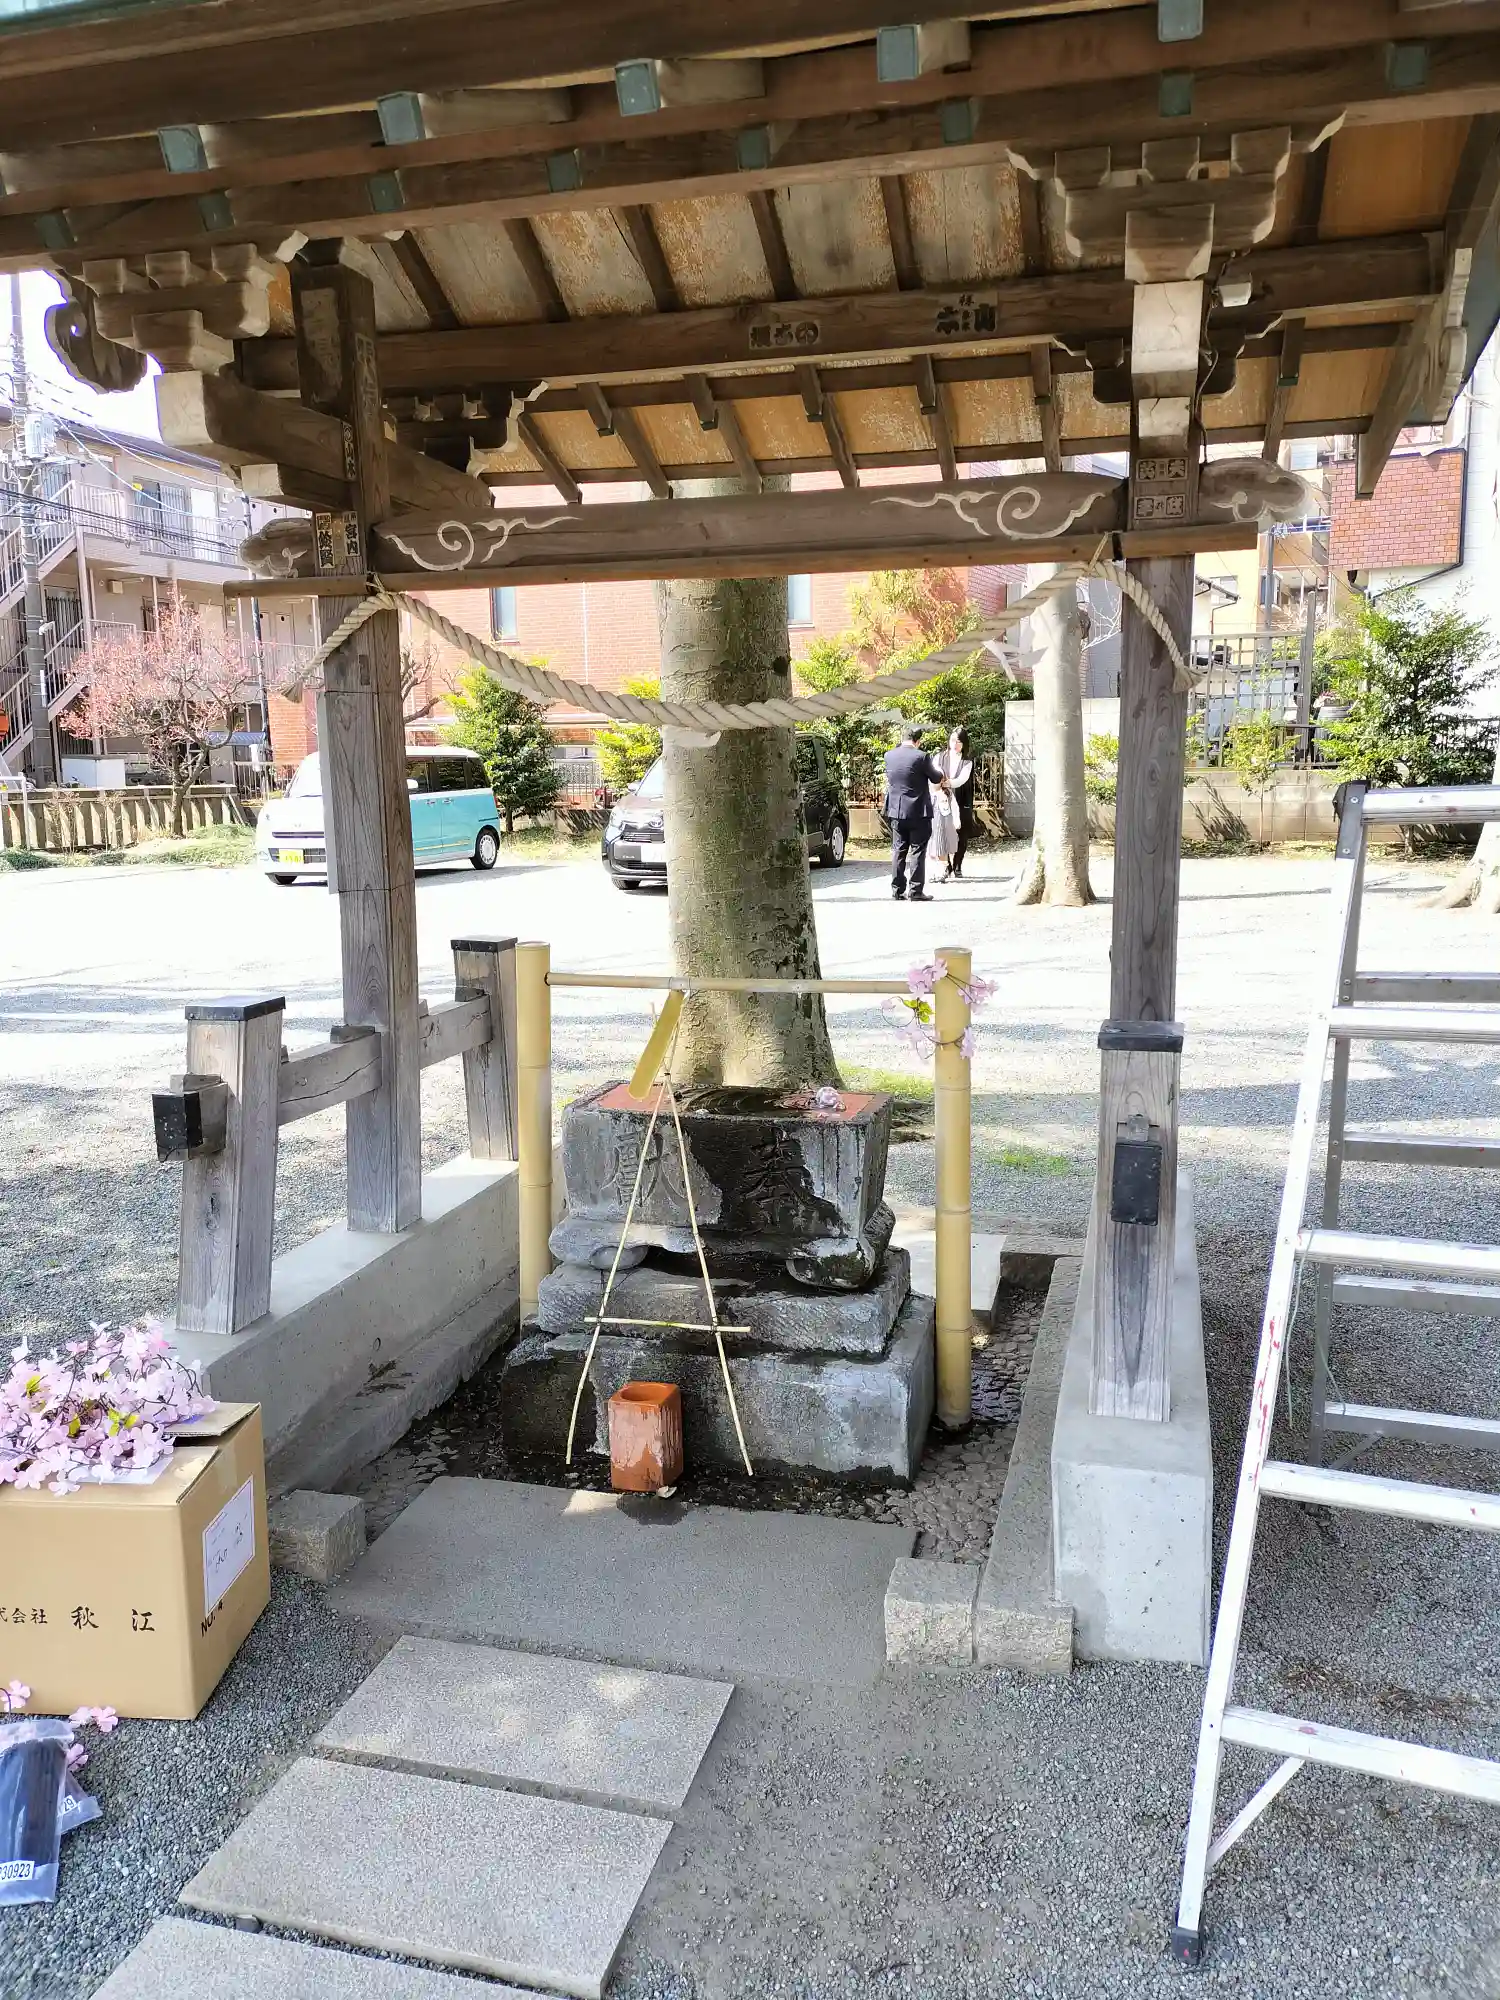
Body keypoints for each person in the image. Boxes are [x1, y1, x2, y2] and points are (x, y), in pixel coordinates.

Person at [883, 725, 947, 901]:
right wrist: (940, 771)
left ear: (902, 737)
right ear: (918, 741)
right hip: (918, 810)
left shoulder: (889, 756)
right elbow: (935, 777)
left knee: (899, 850)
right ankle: (915, 891)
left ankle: (897, 890)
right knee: (918, 850)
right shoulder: (922, 756)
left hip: (896, 810)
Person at [931, 725, 975, 882]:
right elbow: (934, 772)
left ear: (964, 744)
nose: (955, 744)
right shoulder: (939, 757)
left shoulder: (967, 761)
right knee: (942, 831)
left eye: (959, 742)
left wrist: (948, 782)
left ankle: (957, 865)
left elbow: (962, 779)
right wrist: (939, 785)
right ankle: (946, 865)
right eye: (952, 740)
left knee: (962, 833)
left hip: (962, 798)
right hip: (942, 799)